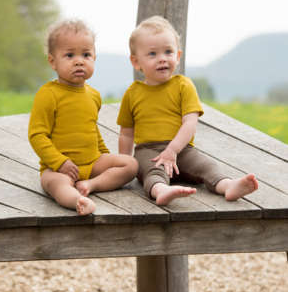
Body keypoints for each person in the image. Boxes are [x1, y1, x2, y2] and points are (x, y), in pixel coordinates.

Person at [117, 15, 258, 206]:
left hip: (182, 149)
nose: (162, 59)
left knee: (205, 166)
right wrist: (124, 164)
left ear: (178, 56)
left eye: (168, 52)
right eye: (152, 54)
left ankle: (227, 185)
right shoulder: (132, 93)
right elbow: (126, 133)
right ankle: (162, 190)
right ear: (136, 62)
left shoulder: (184, 85)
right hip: (148, 151)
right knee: (152, 173)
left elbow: (190, 123)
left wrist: (173, 150)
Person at [28, 19, 138, 215]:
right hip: (58, 169)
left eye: (86, 55)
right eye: (69, 55)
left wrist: (105, 155)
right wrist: (59, 162)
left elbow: (92, 129)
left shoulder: (93, 95)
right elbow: (37, 135)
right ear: (53, 61)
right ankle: (77, 200)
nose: (79, 61)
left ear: (94, 57)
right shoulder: (48, 94)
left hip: (92, 163)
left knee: (130, 165)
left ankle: (91, 185)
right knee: (57, 185)